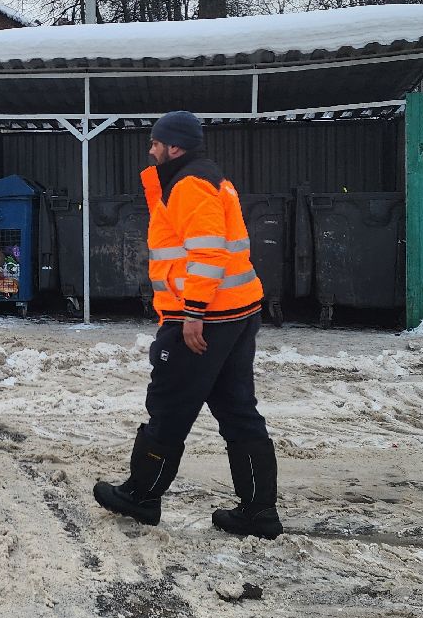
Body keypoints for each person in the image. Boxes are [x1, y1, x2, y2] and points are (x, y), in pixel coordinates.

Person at [92, 111, 283, 537]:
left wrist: (193, 312)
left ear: (174, 146)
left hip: (205, 318)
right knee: (237, 409)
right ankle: (259, 512)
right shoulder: (206, 179)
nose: (151, 150)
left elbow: (208, 253)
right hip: (235, 312)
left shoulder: (190, 185)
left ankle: (141, 496)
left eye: (156, 143)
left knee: (169, 405)